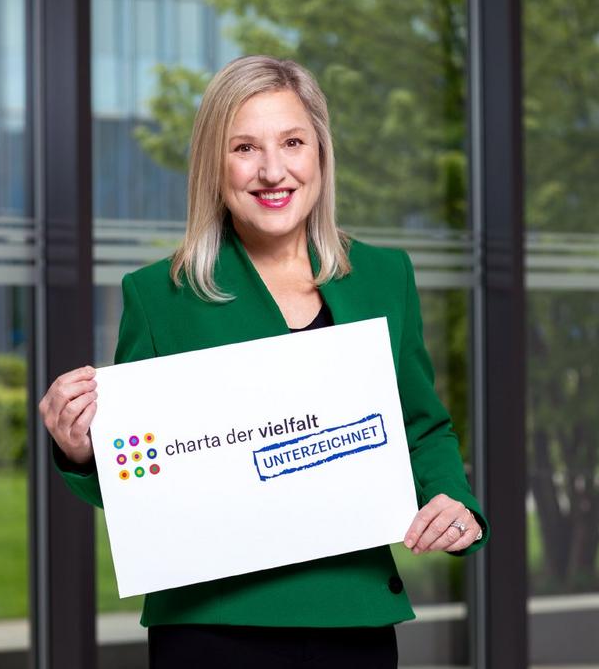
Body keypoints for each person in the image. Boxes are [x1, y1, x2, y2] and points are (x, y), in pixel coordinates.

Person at [39, 55, 489, 668]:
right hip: (211, 630)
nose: (273, 170)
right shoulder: (159, 297)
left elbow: (422, 427)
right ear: (213, 165)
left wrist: (454, 501)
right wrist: (83, 451)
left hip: (353, 615)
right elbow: (144, 478)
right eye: (245, 148)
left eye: (292, 142)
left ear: (320, 153)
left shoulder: (385, 277)